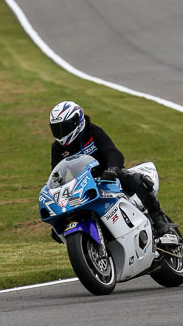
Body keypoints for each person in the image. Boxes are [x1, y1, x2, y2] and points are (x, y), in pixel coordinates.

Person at [49, 101, 171, 236]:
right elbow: (57, 174)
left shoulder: (93, 132)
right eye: (56, 128)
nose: (60, 133)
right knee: (58, 227)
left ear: (76, 122)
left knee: (136, 180)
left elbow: (113, 153)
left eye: (64, 127)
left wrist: (112, 169)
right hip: (83, 185)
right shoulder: (57, 148)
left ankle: (158, 218)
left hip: (109, 176)